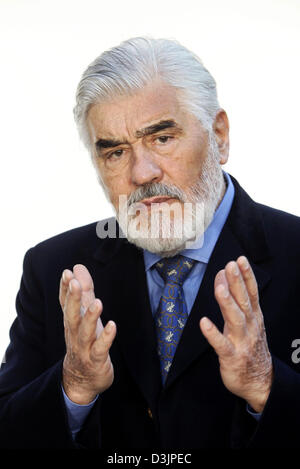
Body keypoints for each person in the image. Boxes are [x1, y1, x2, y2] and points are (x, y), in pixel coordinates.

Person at [0, 37, 300, 450]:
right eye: (115, 152)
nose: (141, 173)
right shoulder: (53, 267)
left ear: (219, 136)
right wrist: (73, 385)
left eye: (162, 138)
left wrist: (265, 384)